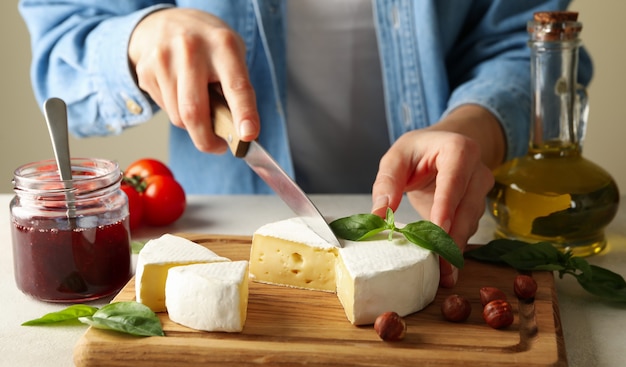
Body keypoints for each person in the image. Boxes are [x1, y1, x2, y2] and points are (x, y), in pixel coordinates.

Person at [18, 0, 592, 288]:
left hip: (448, 219)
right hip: (227, 219)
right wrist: (139, 36)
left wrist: (473, 128)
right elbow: (63, 38)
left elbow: (524, 42)